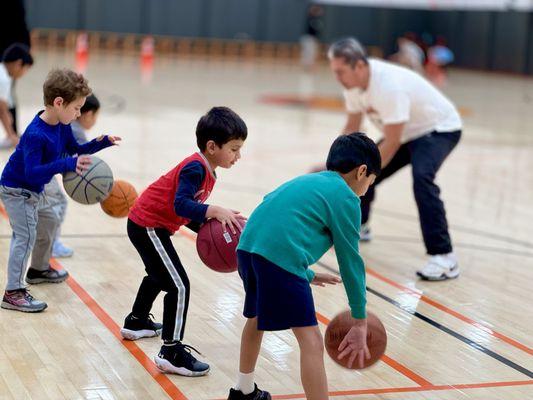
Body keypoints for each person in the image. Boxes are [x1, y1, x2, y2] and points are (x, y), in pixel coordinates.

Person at [227, 133, 381, 400]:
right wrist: (359, 319)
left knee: (257, 319)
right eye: (371, 181)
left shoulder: (309, 180)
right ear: (362, 171)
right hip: (278, 260)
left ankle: (243, 390)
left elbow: (278, 225)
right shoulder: (346, 198)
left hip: (247, 249)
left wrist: (305, 273)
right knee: (311, 340)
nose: (367, 188)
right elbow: (350, 261)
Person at [121, 106, 247, 377]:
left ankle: (136, 321)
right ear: (212, 146)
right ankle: (171, 350)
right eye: (234, 149)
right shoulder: (195, 167)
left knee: (159, 275)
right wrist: (213, 211)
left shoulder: (205, 168)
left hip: (148, 223)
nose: (239, 156)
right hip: (148, 225)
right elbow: (181, 205)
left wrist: (207, 225)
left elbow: (185, 210)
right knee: (179, 285)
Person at [328, 37, 462, 281]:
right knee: (359, 164)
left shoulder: (388, 86)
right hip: (406, 133)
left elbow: (393, 140)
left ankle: (444, 257)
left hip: (438, 129)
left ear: (358, 66)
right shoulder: (353, 87)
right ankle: (361, 224)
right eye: (334, 72)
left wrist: (360, 175)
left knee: (421, 178)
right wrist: (335, 168)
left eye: (340, 72)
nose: (337, 78)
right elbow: (352, 128)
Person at [0, 68, 121, 312]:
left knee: (50, 219)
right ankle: (13, 291)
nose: (78, 114)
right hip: (18, 190)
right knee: (25, 236)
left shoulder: (62, 125)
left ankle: (39, 269)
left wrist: (101, 143)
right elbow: (33, 171)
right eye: (76, 108)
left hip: (35, 188)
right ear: (58, 102)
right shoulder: (36, 134)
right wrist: (67, 164)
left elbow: (76, 149)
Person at [48, 94, 101, 258]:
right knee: (59, 202)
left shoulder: (69, 125)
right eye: (96, 116)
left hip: (42, 168)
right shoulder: (76, 132)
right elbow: (79, 164)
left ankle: (46, 241)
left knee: (48, 206)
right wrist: (100, 187)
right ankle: (51, 244)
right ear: (89, 114)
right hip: (42, 170)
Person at [0, 43, 33, 148]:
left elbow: (4, 109)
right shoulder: (4, 78)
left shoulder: (3, 72)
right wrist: (12, 136)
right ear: (18, 63)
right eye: (26, 69)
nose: (24, 73)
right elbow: (2, 110)